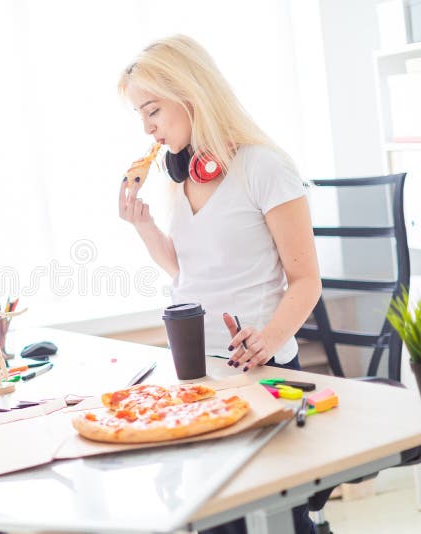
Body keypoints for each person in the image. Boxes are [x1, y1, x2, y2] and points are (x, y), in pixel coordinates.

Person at [117, 36, 321, 534]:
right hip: (197, 371)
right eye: (140, 116)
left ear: (189, 94)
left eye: (152, 111)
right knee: (209, 516)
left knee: (269, 515)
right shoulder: (180, 176)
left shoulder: (264, 168)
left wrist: (267, 339)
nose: (147, 128)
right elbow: (187, 274)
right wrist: (142, 224)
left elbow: (306, 280)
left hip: (260, 368)